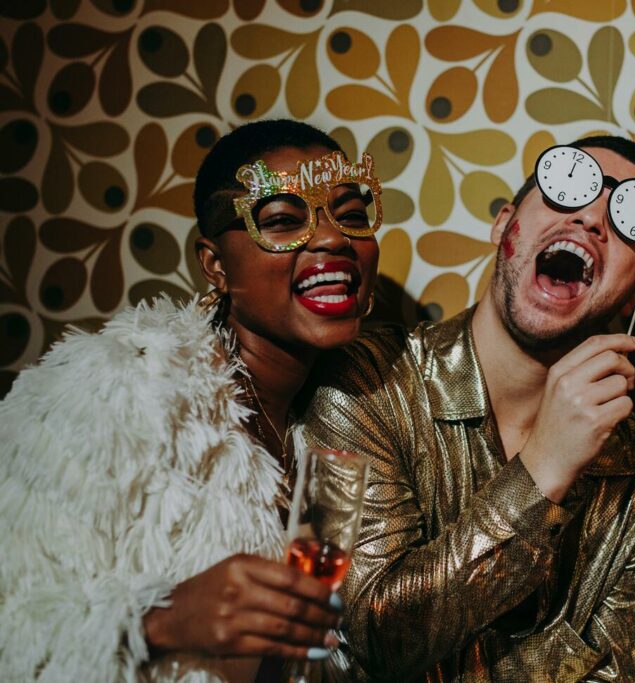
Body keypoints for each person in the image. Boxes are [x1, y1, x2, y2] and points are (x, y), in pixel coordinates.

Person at [0, 119, 380, 681]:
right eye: (280, 221)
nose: (331, 240)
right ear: (215, 265)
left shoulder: (355, 408)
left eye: (350, 214)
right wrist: (161, 622)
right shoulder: (118, 390)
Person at [303, 135, 635, 681]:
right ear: (504, 224)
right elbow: (374, 638)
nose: (591, 220)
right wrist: (543, 471)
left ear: (631, 296)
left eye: (629, 221)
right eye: (567, 187)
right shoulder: (370, 382)